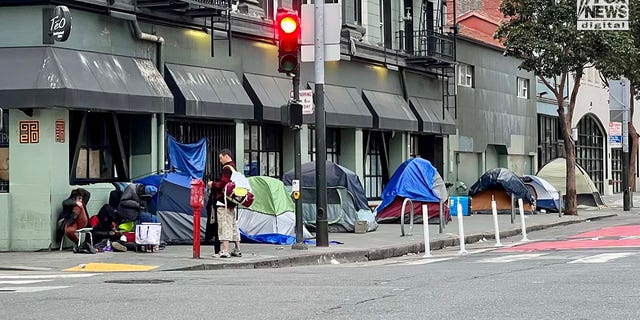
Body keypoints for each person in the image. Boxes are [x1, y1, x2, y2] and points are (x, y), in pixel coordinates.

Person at [209, 149, 241, 258]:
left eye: (221, 158)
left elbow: (223, 184)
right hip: (232, 201)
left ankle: (225, 250)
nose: (220, 160)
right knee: (233, 225)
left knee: (224, 225)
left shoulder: (226, 168)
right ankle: (237, 249)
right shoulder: (234, 168)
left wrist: (212, 184)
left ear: (226, 156)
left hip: (223, 201)